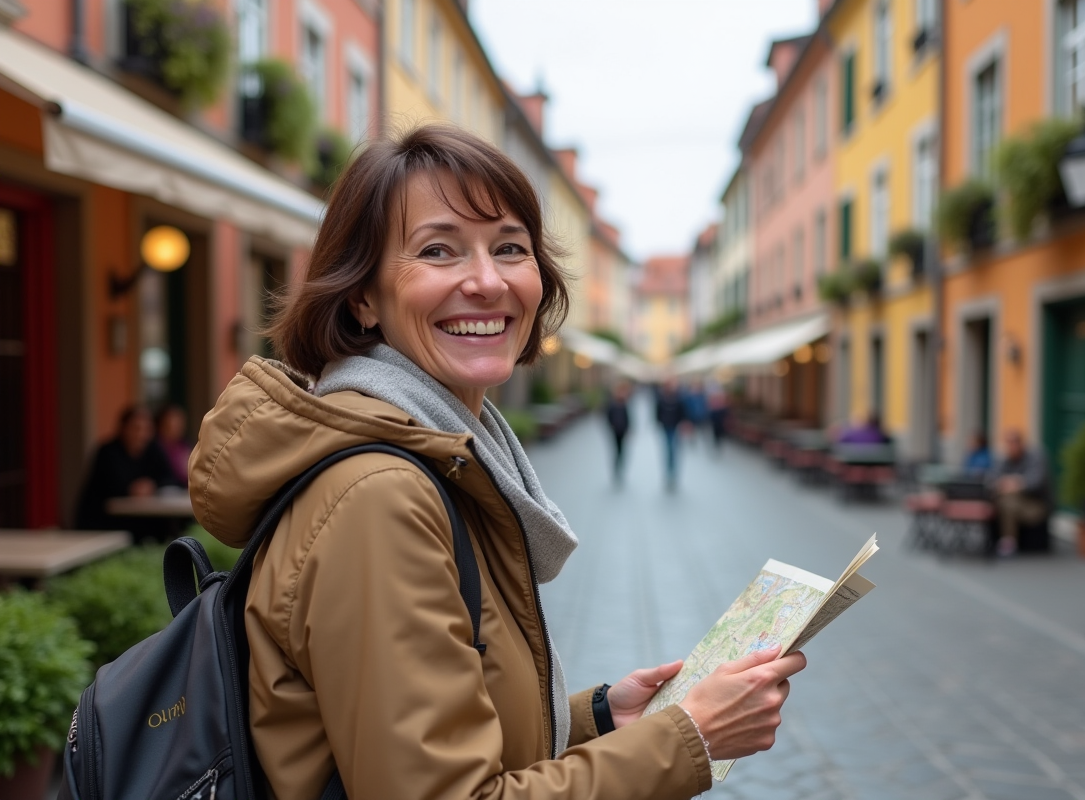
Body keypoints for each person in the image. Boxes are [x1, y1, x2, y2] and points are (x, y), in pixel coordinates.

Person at [188, 125, 806, 800]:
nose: (486, 281)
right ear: (363, 295)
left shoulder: (445, 457)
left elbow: (440, 743)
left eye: (510, 248)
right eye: (438, 250)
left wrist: (597, 719)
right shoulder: (380, 495)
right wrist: (687, 738)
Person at [75, 405, 180, 542]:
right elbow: (108, 487)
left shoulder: (153, 450)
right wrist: (130, 489)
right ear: (123, 429)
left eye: (147, 429)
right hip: (106, 521)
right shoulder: (108, 452)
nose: (141, 434)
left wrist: (152, 486)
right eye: (136, 428)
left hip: (143, 519)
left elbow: (171, 478)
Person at [988, 428, 1051, 557]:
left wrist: (1016, 483)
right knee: (1003, 500)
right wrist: (1006, 484)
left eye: (1014, 443)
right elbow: (993, 479)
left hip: (1035, 505)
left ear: (1021, 443)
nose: (1011, 447)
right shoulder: (1004, 460)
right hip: (1008, 502)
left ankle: (1008, 541)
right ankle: (1000, 540)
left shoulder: (1036, 457)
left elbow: (1036, 482)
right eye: (1008, 443)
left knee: (1008, 501)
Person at [656, 377, 687, 490]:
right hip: (666, 426)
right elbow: (658, 412)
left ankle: (673, 473)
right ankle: (669, 472)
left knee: (673, 450)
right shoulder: (662, 398)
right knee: (669, 449)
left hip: (676, 426)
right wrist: (659, 422)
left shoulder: (678, 398)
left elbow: (683, 412)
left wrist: (683, 423)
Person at [155, 404, 192, 486]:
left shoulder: (184, 446)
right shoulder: (154, 448)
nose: (179, 426)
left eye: (181, 422)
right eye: (174, 421)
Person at [604, 381, 632, 484]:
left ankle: (620, 467)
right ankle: (616, 469)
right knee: (616, 450)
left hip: (623, 430)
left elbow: (628, 418)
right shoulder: (612, 404)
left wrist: (629, 428)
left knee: (622, 450)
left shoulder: (624, 404)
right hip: (615, 431)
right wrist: (611, 426)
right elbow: (608, 417)